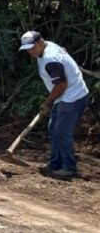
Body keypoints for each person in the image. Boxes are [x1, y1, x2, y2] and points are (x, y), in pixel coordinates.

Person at [19, 31, 89, 180]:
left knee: (62, 132)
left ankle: (69, 168)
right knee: (54, 129)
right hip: (64, 96)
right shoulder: (47, 47)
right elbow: (63, 50)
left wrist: (48, 102)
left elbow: (61, 84)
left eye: (33, 47)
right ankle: (56, 163)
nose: (31, 52)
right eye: (27, 49)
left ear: (41, 41)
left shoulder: (51, 59)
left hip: (72, 97)